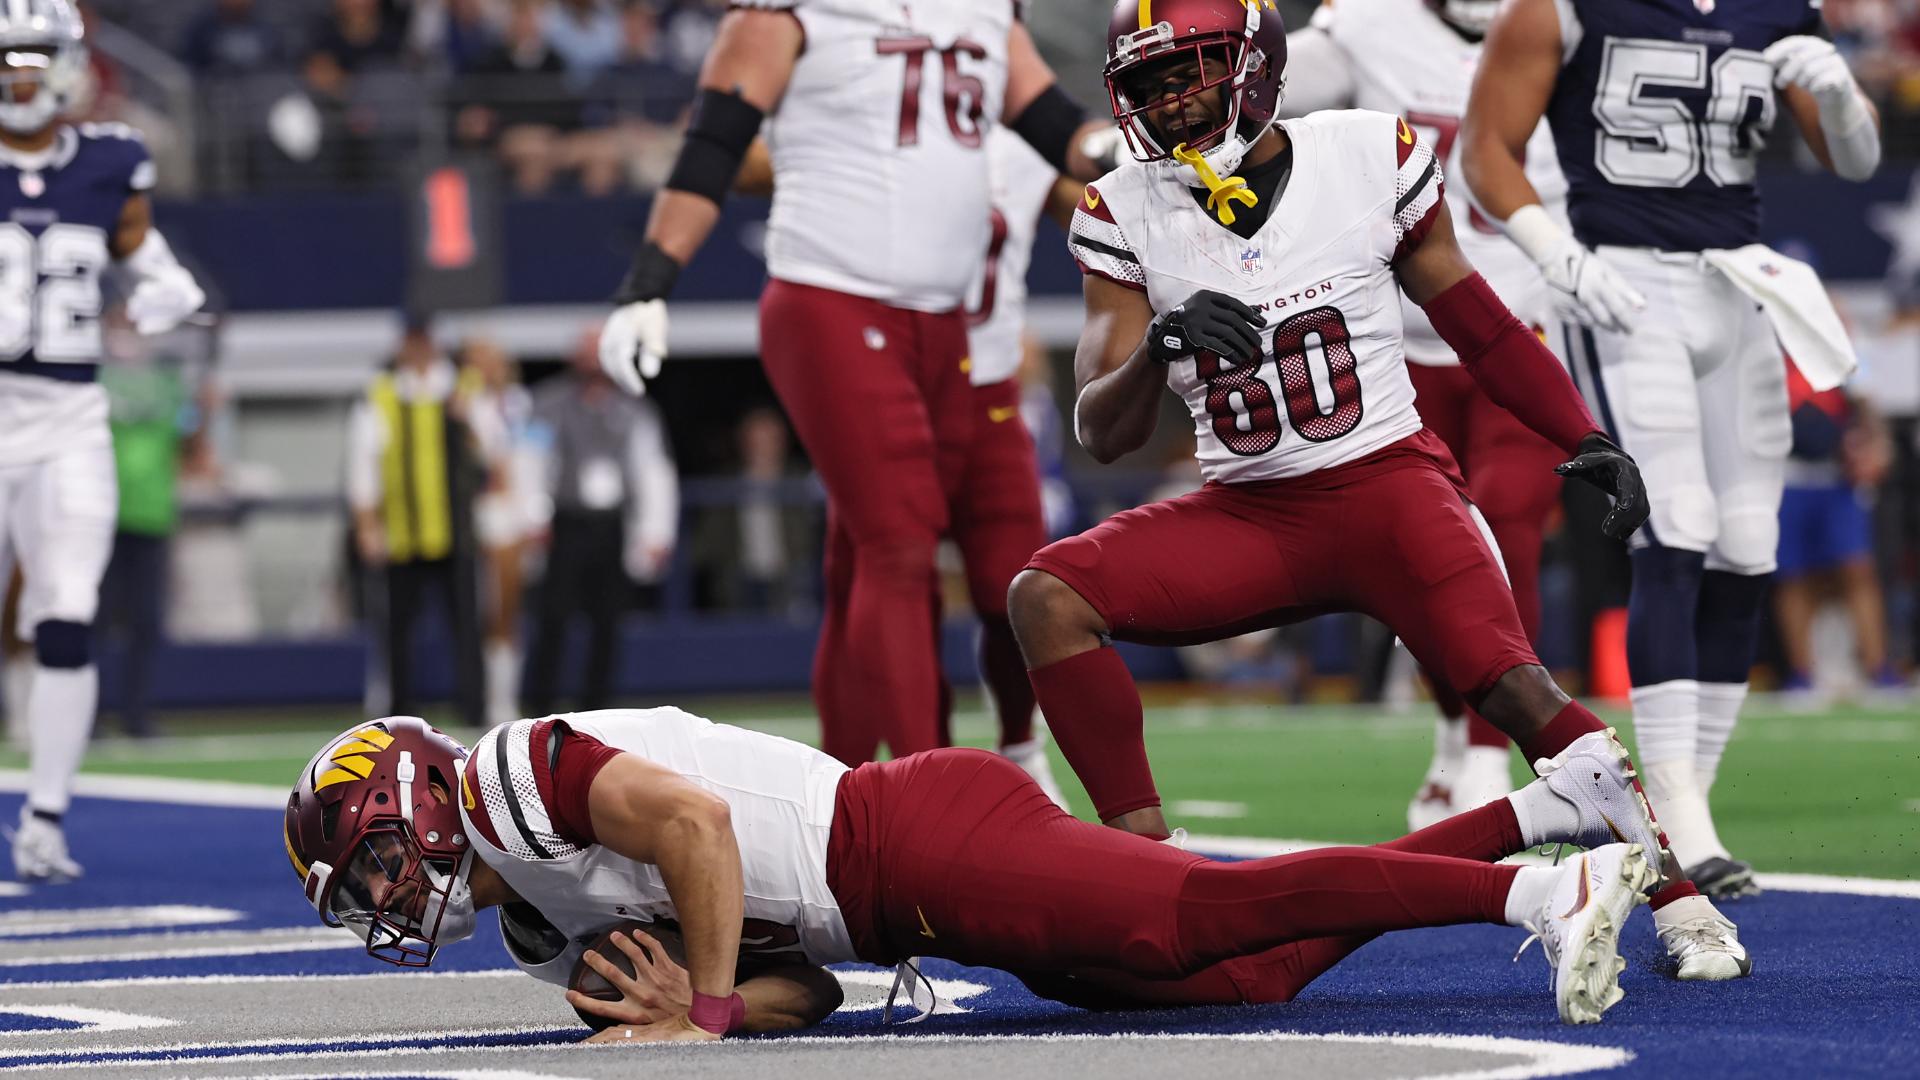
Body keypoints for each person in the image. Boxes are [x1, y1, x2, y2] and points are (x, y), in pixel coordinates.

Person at [1005, 0, 1735, 982]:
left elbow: (1474, 319)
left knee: (1517, 687)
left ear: (1255, 65)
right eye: (1147, 85)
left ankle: (1681, 898)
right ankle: (1146, 875)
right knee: (1046, 599)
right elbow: (1101, 426)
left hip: (1389, 489)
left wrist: (1581, 433)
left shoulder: (1363, 154)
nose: (1170, 101)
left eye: (1190, 73)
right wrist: (1160, 351)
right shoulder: (1120, 206)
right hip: (1250, 510)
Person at [284, 711, 1662, 1036]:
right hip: (890, 905)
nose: (392, 900)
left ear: (413, 797)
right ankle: (1549, 805)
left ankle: (1540, 896)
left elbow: (697, 827)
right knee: (1240, 972)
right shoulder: (535, 929)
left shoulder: (513, 776)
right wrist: (700, 1010)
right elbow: (806, 993)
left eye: (378, 867)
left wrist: (692, 1019)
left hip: (912, 835)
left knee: (1200, 912)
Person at [594, 0, 1114, 765]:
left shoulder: (983, 10)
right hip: (832, 294)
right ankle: (929, 795)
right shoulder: (791, 11)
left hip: (945, 327)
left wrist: (1132, 144)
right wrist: (648, 281)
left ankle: (857, 781)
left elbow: (1052, 120)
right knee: (898, 545)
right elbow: (715, 145)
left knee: (867, 558)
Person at [1460, 0, 1881, 904]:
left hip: (1736, 280)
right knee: (1677, 526)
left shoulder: (1776, 9)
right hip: (1623, 279)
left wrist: (1840, 93)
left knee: (1748, 545)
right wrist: (1557, 253)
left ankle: (1691, 800)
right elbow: (1485, 147)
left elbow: (1856, 159)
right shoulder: (1564, 6)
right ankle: (1680, 820)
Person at [1280, 0, 1570, 829]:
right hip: (1393, 339)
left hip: (1518, 318)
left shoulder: (1567, 22)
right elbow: (1272, 79)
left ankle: (1484, 755)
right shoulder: (1370, 24)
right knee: (1425, 555)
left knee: (1507, 524)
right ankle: (1455, 725)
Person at [0, 0, 205, 882]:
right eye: (8, 53)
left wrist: (162, 288)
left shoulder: (111, 161)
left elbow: (145, 256)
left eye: (35, 52)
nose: (19, 70)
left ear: (70, 63)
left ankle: (45, 818)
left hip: (71, 421)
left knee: (68, 614)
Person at [519, 326, 678, 717]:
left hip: (610, 526)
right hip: (566, 522)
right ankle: (540, 706)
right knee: (553, 617)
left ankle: (597, 710)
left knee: (608, 621)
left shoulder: (634, 408)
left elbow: (652, 472)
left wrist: (655, 531)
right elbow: (529, 463)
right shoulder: (548, 403)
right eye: (586, 352)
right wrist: (532, 517)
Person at [345, 315, 491, 730]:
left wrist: (466, 422)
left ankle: (474, 709)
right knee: (398, 631)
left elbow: (493, 451)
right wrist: (367, 523)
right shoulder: (383, 393)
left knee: (466, 625)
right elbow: (364, 463)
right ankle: (399, 716)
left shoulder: (464, 390)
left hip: (456, 530)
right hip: (403, 532)